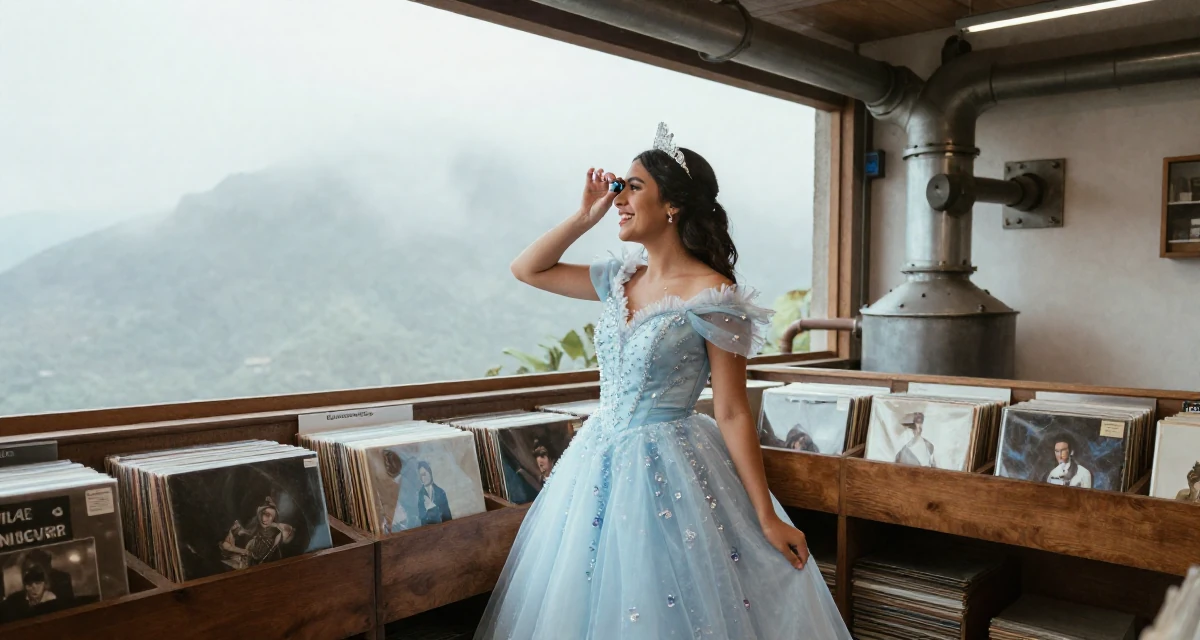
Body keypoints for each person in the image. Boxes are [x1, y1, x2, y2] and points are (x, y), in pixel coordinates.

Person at [475, 123, 850, 639]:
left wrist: (766, 516)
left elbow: (733, 410)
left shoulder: (714, 295)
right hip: (595, 460)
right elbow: (528, 269)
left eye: (633, 186)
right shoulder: (620, 277)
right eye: (619, 187)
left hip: (670, 467)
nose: (619, 197)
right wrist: (585, 216)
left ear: (671, 204)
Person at [221, 496, 295, 570]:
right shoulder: (255, 524)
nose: (269, 520)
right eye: (266, 514)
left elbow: (256, 555)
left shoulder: (271, 540)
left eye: (272, 518)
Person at [417, 461, 453, 525]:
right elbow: (421, 518)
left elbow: (448, 518)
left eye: (424, 474)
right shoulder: (420, 495)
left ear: (430, 472)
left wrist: (432, 507)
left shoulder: (441, 492)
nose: (423, 478)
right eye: (421, 476)